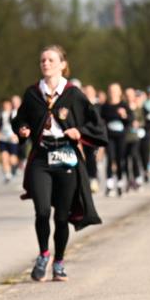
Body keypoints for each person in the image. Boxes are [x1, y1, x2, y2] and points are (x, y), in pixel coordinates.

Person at [13, 46, 106, 282]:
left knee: (62, 216)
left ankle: (59, 261)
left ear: (63, 65)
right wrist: (22, 129)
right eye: (42, 60)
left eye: (51, 60)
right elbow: (20, 118)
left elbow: (96, 124)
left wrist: (79, 132)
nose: (45, 63)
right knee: (42, 210)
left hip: (66, 157)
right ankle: (44, 254)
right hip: (42, 157)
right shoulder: (33, 93)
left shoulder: (73, 94)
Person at [100, 83, 131, 198]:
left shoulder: (124, 105)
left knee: (120, 159)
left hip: (121, 137)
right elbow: (100, 120)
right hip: (109, 137)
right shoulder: (105, 106)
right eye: (111, 90)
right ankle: (109, 185)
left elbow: (130, 120)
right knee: (110, 158)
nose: (113, 93)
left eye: (115, 90)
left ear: (120, 92)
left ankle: (120, 184)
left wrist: (124, 116)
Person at [0, 99, 20, 184]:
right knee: (4, 157)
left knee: (12, 159)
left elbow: (19, 124)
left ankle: (15, 167)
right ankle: (7, 175)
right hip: (3, 139)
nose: (6, 106)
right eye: (4, 105)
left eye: (8, 104)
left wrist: (17, 135)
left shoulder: (15, 113)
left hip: (12, 139)